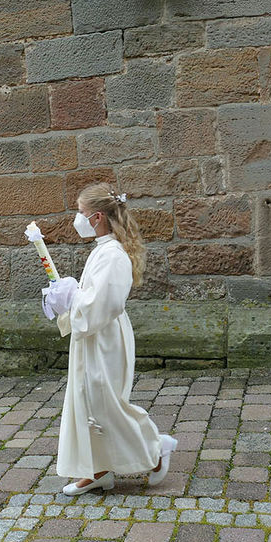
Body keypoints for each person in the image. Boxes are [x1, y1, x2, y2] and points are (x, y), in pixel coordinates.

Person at [44, 183, 177, 495]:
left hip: (104, 339)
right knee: (87, 401)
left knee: (105, 405)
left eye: (81, 213)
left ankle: (156, 449)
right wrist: (66, 296)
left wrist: (72, 297)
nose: (77, 219)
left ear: (97, 217)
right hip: (92, 338)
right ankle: (97, 470)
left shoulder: (114, 255)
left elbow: (103, 304)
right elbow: (90, 296)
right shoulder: (102, 250)